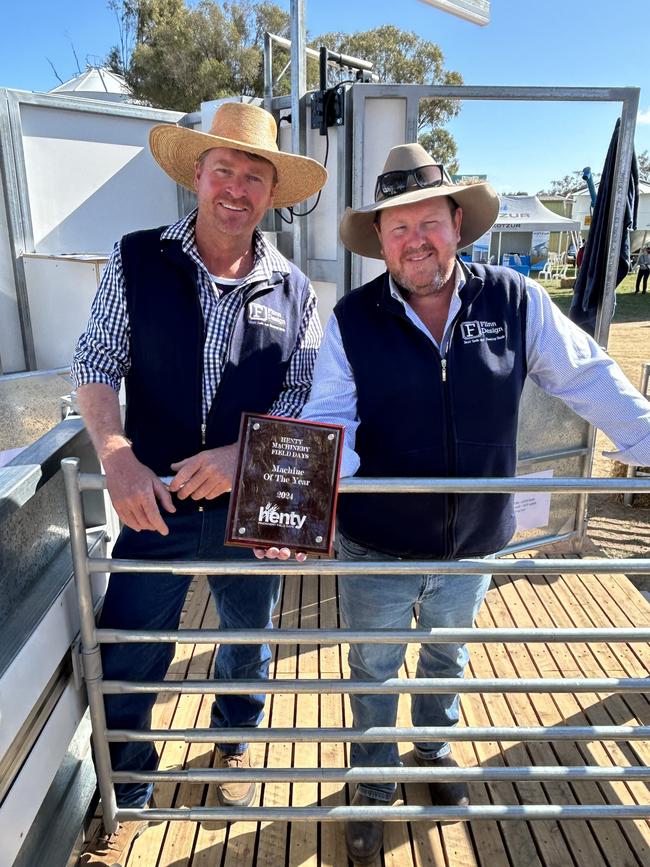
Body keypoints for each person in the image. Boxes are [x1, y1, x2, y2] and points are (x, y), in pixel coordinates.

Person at [301, 143, 650, 865]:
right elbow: (328, 421)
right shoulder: (350, 320)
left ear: (458, 222)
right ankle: (371, 786)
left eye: (427, 221)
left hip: (472, 544)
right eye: (397, 228)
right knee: (372, 666)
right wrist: (306, 500)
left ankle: (432, 754)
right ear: (379, 240)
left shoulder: (515, 299)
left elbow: (590, 376)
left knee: (447, 655)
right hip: (376, 543)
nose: (414, 240)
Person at [72, 101, 326, 864]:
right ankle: (133, 789)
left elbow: (303, 397)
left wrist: (241, 459)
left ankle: (236, 740)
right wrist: (115, 452)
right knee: (133, 645)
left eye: (255, 175)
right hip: (151, 491)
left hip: (252, 499)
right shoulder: (134, 257)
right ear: (196, 173)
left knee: (249, 632)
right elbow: (94, 361)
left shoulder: (296, 288)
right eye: (224, 169)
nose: (237, 188)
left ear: (270, 192)